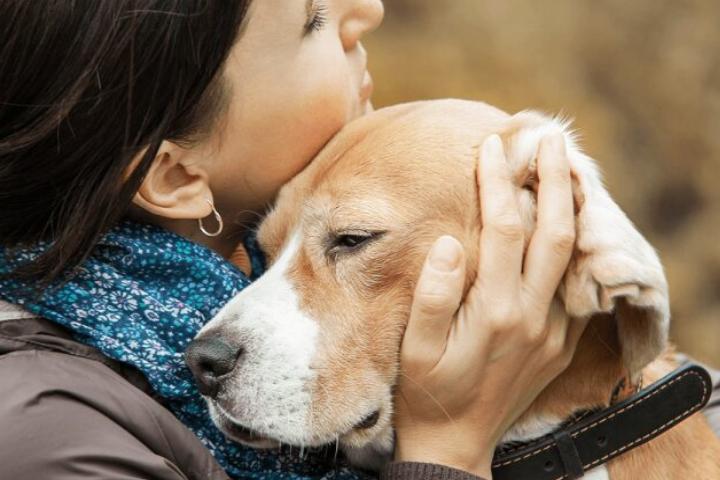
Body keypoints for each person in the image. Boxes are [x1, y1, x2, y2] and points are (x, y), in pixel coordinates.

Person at [1, 1, 591, 479]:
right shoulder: (45, 437)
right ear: (177, 177)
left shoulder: (285, 287)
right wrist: (447, 447)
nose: (367, 11)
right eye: (311, 21)